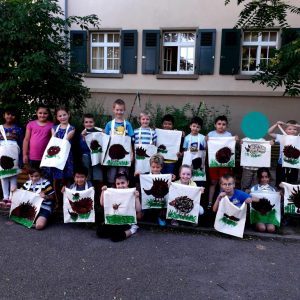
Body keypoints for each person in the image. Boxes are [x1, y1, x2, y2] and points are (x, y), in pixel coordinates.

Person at [97, 172, 141, 242]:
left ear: (128, 182)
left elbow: (138, 209)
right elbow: (102, 204)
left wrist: (137, 198)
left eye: (123, 183)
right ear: (115, 184)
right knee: (100, 232)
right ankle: (113, 232)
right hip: (114, 220)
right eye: (118, 183)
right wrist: (103, 192)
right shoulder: (113, 192)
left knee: (116, 237)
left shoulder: (132, 193)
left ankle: (132, 229)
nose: (120, 185)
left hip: (126, 221)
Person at [207, 115, 237, 209]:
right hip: (214, 164)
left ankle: (222, 202)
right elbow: (207, 149)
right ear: (215, 125)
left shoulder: (229, 135)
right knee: (213, 182)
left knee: (223, 182)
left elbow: (231, 149)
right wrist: (206, 140)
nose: (221, 126)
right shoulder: (211, 134)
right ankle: (210, 202)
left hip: (225, 164)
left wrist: (235, 140)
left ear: (226, 125)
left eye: (223, 124)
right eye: (219, 124)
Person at [49, 107, 75, 208]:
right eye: (60, 116)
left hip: (67, 157)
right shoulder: (54, 128)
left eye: (64, 115)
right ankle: (58, 202)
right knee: (56, 179)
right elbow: (53, 140)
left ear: (68, 114)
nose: (62, 117)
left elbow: (66, 140)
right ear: (57, 117)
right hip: (56, 156)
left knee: (67, 179)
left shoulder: (72, 128)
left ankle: (67, 202)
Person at [104, 99, 134, 187]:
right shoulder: (109, 124)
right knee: (111, 176)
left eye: (121, 110)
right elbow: (105, 140)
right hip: (112, 155)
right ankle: (112, 193)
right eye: (117, 110)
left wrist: (132, 154)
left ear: (124, 110)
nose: (119, 112)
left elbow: (131, 140)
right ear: (113, 110)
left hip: (123, 155)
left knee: (123, 174)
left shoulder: (127, 124)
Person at [0, 106, 23, 209]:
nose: (9, 116)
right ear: (4, 115)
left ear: (14, 116)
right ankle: (5, 197)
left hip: (14, 153)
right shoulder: (0, 128)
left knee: (13, 175)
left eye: (11, 114)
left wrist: (22, 157)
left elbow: (21, 143)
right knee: (3, 175)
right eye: (7, 114)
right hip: (2, 153)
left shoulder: (18, 129)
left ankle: (12, 197)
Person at [268, 120, 300, 187]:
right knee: (280, 182)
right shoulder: (281, 137)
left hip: (294, 164)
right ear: (285, 130)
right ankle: (280, 194)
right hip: (281, 163)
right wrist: (276, 124)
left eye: (295, 129)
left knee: (292, 183)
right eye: (289, 129)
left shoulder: (298, 138)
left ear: (297, 131)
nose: (292, 130)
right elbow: (269, 132)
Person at [23, 105, 53, 169]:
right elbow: (26, 139)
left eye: (45, 113)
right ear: (36, 113)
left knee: (46, 177)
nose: (42, 115)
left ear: (48, 114)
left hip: (46, 157)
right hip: (32, 157)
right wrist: (25, 154)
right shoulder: (31, 124)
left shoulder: (51, 125)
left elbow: (53, 141)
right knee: (34, 176)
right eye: (40, 113)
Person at [80, 113, 103, 192]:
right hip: (86, 157)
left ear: (94, 123)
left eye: (91, 122)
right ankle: (89, 194)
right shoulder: (82, 134)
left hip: (96, 157)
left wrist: (103, 134)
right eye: (86, 122)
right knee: (88, 176)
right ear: (83, 123)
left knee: (98, 176)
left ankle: (99, 196)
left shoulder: (99, 132)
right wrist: (83, 137)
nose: (89, 124)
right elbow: (81, 147)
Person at [250, 168, 277, 233]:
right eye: (262, 177)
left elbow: (275, 203)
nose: (264, 179)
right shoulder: (254, 189)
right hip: (258, 214)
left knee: (271, 229)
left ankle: (267, 223)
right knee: (262, 228)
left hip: (269, 215)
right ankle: (256, 224)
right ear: (258, 178)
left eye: (266, 177)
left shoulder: (272, 190)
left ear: (269, 177)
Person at [183, 116, 206, 187]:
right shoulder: (187, 138)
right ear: (190, 126)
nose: (195, 128)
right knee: (187, 183)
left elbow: (205, 149)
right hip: (189, 161)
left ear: (200, 128)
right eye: (194, 126)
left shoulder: (203, 138)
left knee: (199, 183)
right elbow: (185, 150)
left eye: (198, 127)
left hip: (200, 160)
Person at [160, 114, 183, 178]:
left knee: (169, 179)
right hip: (159, 162)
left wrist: (180, 134)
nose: (167, 125)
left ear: (172, 125)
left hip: (171, 162)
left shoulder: (176, 133)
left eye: (169, 124)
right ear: (162, 125)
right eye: (165, 123)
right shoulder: (157, 133)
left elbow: (181, 146)